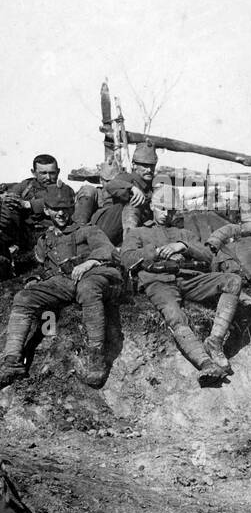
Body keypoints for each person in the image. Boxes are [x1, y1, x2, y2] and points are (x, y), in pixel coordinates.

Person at [0, 193, 121, 389]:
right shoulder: (45, 239)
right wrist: (35, 280)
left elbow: (107, 250)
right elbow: (43, 267)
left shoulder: (87, 230)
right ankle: (12, 361)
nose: (62, 213)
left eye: (66, 209)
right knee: (23, 297)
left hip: (95, 275)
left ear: (72, 208)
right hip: (63, 281)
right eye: (56, 209)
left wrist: (88, 263)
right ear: (47, 210)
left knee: (87, 289)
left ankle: (96, 357)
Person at [121, 196, 246, 385]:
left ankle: (215, 341)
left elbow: (207, 255)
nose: (166, 214)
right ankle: (204, 363)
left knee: (233, 281)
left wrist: (184, 246)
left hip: (189, 278)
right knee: (174, 314)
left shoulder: (183, 233)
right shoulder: (137, 233)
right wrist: (154, 252)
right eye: (162, 208)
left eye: (170, 210)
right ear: (152, 206)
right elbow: (127, 259)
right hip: (158, 281)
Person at [0, 154, 75, 271]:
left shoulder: (64, 190)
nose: (48, 177)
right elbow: (12, 194)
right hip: (23, 233)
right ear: (33, 172)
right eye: (43, 173)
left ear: (58, 172)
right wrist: (7, 197)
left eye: (52, 173)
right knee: (9, 204)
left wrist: (27, 204)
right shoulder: (26, 186)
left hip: (48, 235)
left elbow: (49, 201)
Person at [73, 144, 157, 245]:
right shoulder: (127, 178)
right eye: (144, 165)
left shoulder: (152, 186)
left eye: (152, 165)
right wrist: (132, 188)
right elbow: (111, 185)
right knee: (133, 204)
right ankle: (130, 246)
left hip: (121, 232)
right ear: (134, 165)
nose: (149, 170)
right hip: (106, 224)